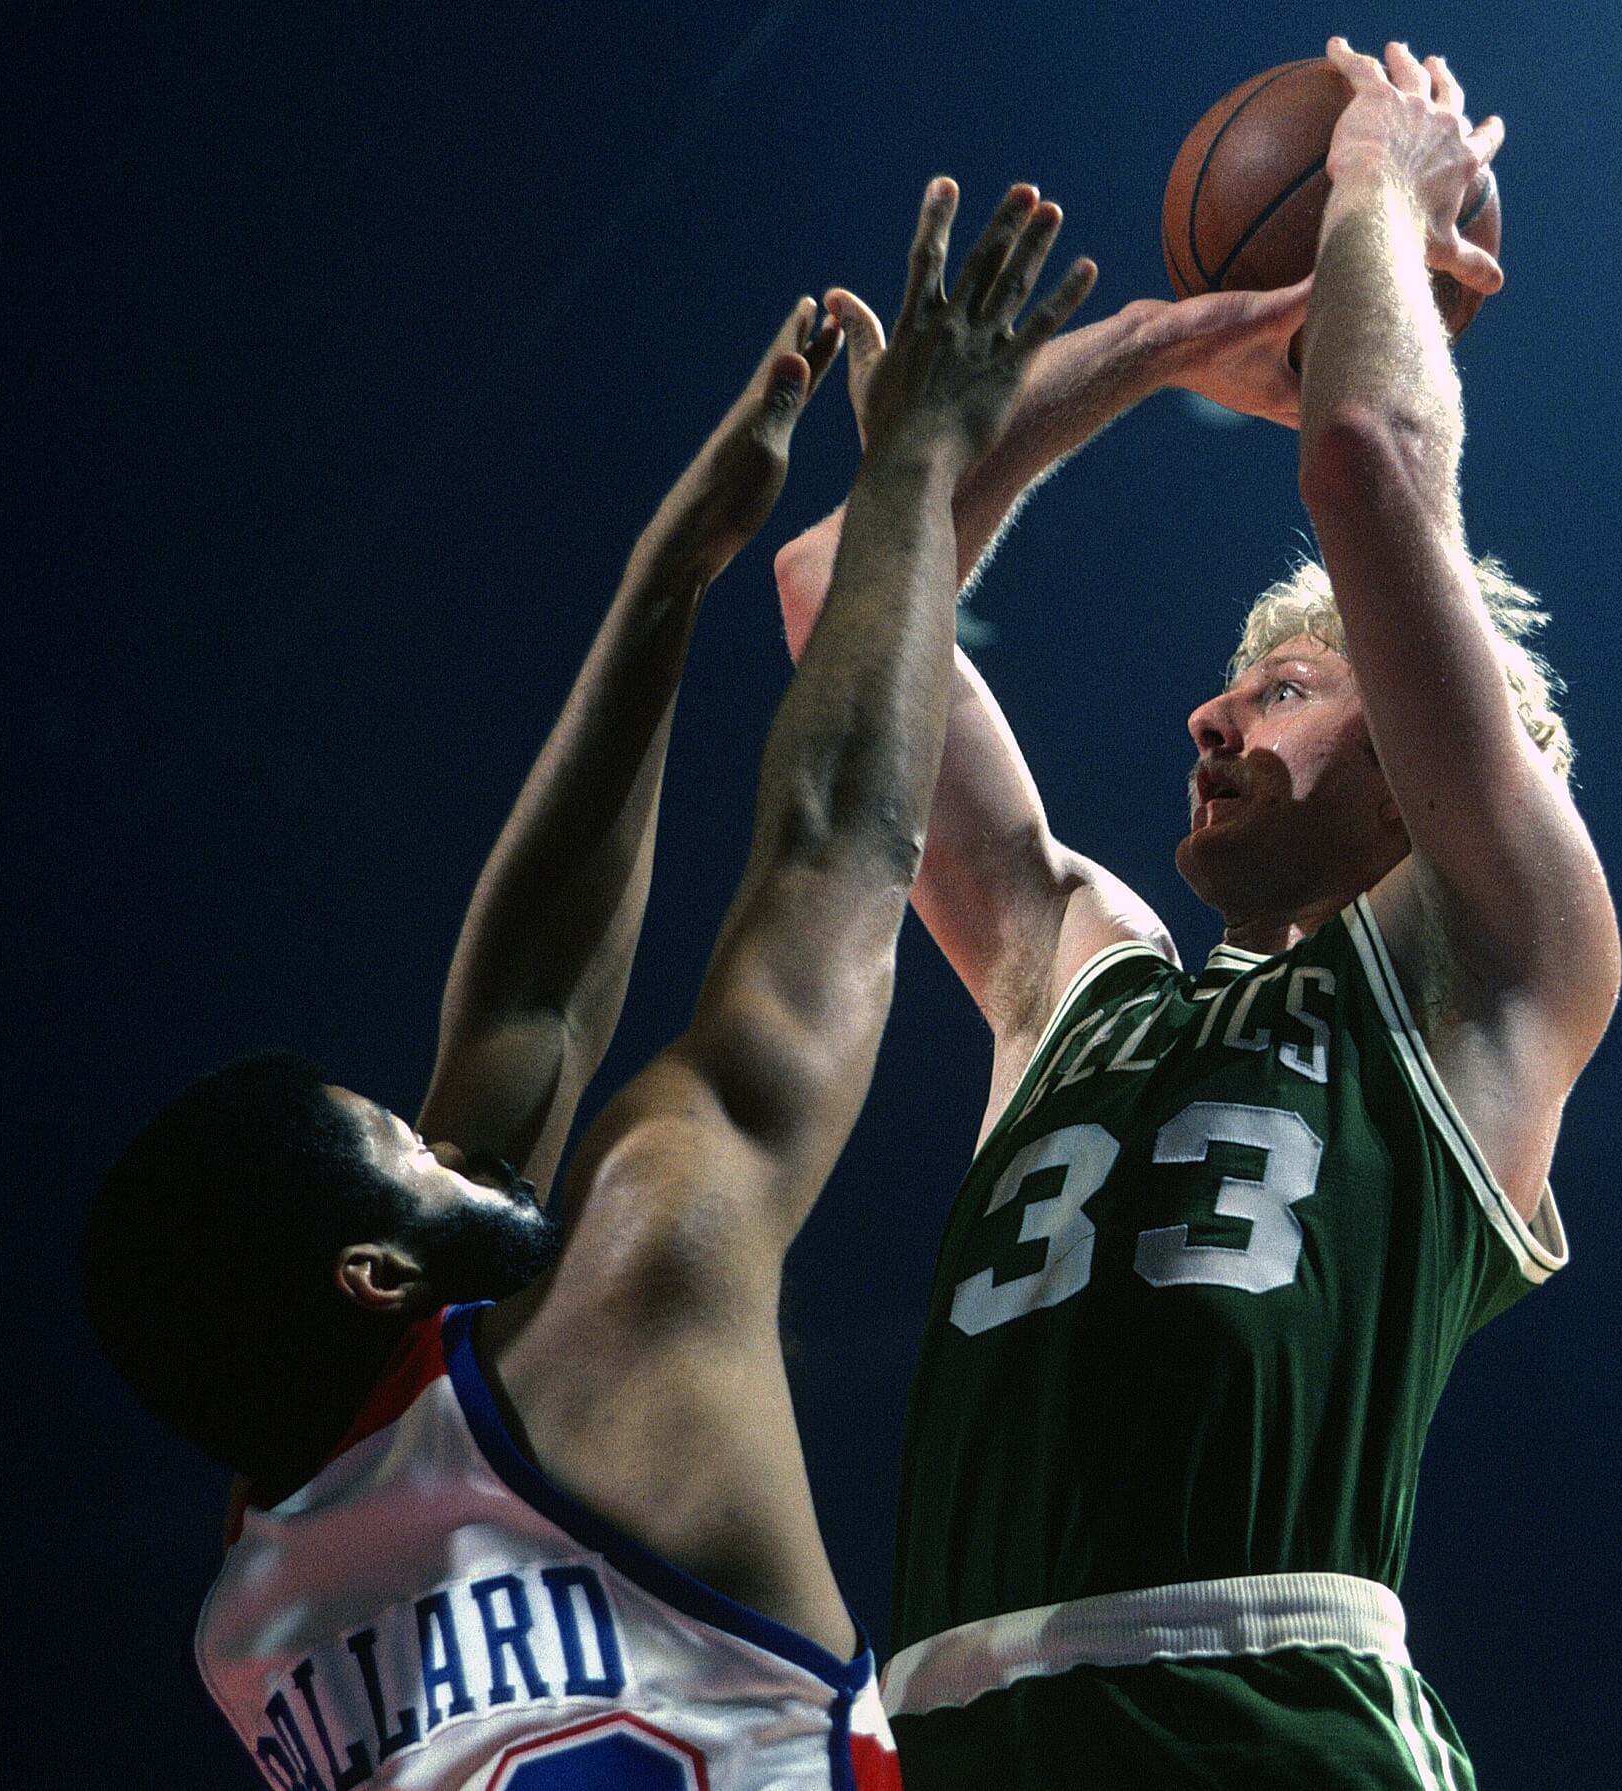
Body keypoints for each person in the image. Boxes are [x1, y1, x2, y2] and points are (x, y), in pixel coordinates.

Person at [81, 178, 1095, 1791]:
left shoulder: (252, 1598)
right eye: (412, 1150)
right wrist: (916, 454)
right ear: (371, 1277)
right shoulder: (635, 1296)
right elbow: (834, 853)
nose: (455, 1134)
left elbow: (522, 1020)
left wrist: (668, 579)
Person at [771, 40, 1620, 1790]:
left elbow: (1370, 455)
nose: (1210, 718)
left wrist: (1379, 177)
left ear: (1420, 757)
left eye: (1292, 687)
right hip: (947, 1730)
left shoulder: (1483, 977)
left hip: (1264, 1724)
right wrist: (1171, 344)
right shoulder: (1074, 980)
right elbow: (835, 597)